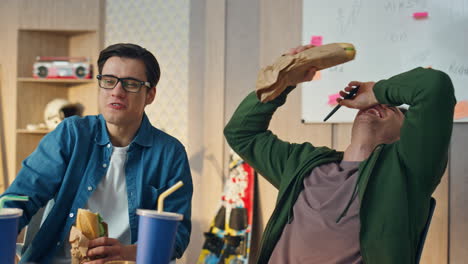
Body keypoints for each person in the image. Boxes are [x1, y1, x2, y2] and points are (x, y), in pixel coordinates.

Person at [224, 44, 456, 264]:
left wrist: (376, 92)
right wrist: (282, 81)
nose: (379, 105)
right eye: (374, 104)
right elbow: (241, 133)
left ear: (406, 135)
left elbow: (433, 86)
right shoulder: (302, 163)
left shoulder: (407, 169)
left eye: (391, 107)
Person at [1, 43, 193, 263]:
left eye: (130, 84)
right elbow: (21, 197)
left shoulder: (169, 153)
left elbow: (177, 236)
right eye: (109, 81)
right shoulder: (71, 134)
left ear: (150, 94)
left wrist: (126, 252)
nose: (117, 92)